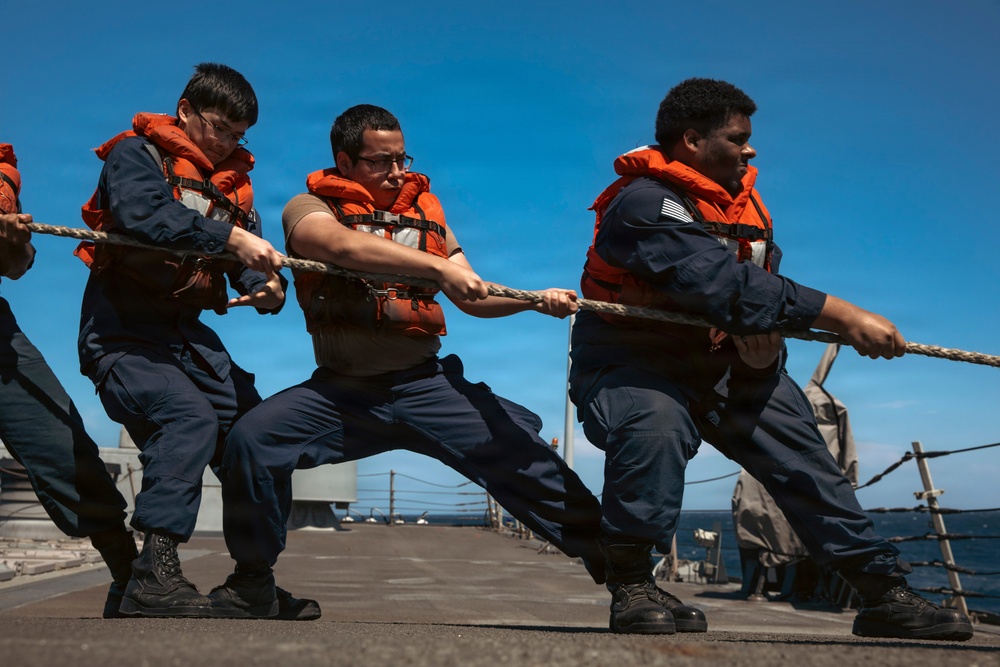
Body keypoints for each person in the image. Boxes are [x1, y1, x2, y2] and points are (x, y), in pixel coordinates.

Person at [568, 78, 974, 640]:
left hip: (728, 365)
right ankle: (635, 584)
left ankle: (883, 592)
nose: (751, 149)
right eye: (738, 139)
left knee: (804, 455)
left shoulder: (742, 208)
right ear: (691, 140)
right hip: (632, 363)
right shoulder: (642, 202)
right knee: (654, 426)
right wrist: (844, 315)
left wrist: (762, 361)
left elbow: (759, 292)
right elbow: (725, 285)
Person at [211, 104, 605, 619]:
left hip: (425, 384)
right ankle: (253, 584)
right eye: (381, 161)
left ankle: (630, 579)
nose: (398, 172)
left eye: (402, 159)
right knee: (252, 440)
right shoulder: (307, 206)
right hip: (343, 393)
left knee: (527, 457)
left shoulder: (428, 217)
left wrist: (532, 299)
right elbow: (334, 245)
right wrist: (438, 269)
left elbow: (473, 297)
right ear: (345, 161)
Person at [75, 63, 304, 619]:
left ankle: (254, 583)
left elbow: (244, 258)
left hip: (189, 339)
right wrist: (232, 238)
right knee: (188, 419)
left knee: (260, 434)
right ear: (184, 111)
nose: (227, 142)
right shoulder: (137, 156)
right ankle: (152, 578)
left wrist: (269, 285)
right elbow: (141, 215)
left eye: (238, 134)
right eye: (218, 127)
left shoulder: (227, 187)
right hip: (122, 335)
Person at [0, 143, 137, 618]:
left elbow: (17, 267)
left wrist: (11, 241)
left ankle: (130, 576)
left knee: (63, 440)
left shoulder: (3, 175)